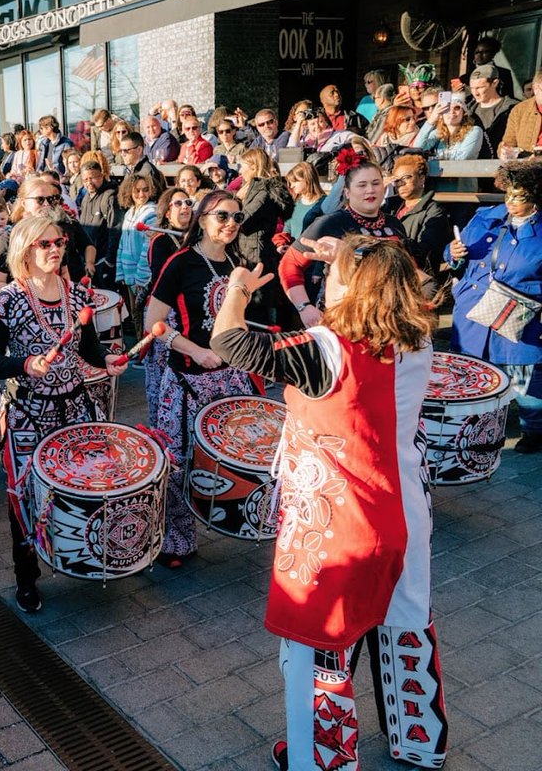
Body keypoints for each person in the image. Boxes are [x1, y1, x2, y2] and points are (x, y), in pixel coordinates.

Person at [209, 235, 448, 771]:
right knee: (407, 620)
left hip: (338, 520)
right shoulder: (416, 336)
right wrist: (363, 255)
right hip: (406, 506)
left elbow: (229, 341)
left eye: (334, 273)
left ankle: (322, 759)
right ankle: (419, 739)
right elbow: (422, 287)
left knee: (318, 648)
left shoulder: (328, 347)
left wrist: (237, 288)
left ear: (350, 285)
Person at [0, 213, 127, 612]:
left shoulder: (77, 295)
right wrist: (24, 364)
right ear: (25, 250)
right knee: (24, 499)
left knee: (85, 485)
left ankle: (81, 553)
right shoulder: (7, 300)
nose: (55, 249)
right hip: (30, 414)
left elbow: (88, 349)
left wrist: (108, 361)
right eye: (44, 244)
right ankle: (26, 578)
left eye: (59, 241)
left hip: (76, 405)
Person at [144, 190, 257, 567]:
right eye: (222, 215)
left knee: (230, 457)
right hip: (188, 379)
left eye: (237, 218)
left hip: (230, 379)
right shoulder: (180, 262)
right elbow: (152, 324)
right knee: (177, 462)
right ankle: (176, 539)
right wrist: (196, 351)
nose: (230, 224)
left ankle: (231, 514)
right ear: (204, 217)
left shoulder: (237, 264)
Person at [446, 160, 542, 454]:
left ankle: (534, 430)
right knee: (472, 372)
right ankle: (472, 428)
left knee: (524, 376)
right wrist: (454, 253)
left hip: (519, 313)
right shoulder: (485, 216)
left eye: (521, 196)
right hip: (476, 308)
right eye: (508, 193)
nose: (512, 202)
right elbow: (455, 258)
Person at [280, 157, 407, 327]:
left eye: (376, 183)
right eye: (362, 185)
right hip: (343, 321)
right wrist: (304, 307)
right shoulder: (330, 223)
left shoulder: (395, 224)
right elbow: (289, 264)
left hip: (389, 318)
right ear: (347, 192)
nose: (370, 190)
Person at [0, 176, 94, 293]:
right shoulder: (8, 239)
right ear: (24, 203)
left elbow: (63, 273)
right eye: (40, 200)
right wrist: (26, 297)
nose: (46, 204)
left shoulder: (56, 235)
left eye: (50, 199)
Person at [236, 148, 295, 326]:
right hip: (250, 250)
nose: (240, 171)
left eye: (243, 166)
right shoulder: (253, 189)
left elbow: (243, 220)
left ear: (253, 167)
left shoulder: (261, 190)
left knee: (257, 305)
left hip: (255, 253)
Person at [383, 154, 452, 282]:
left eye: (406, 177)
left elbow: (426, 253)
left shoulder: (434, 211)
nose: (401, 184)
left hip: (415, 277)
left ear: (421, 178)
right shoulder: (389, 206)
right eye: (397, 180)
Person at [116, 172, 164, 333]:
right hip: (129, 276)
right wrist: (120, 272)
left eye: (145, 190)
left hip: (141, 278)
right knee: (135, 316)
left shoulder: (151, 213)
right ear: (129, 192)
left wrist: (140, 278)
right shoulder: (130, 212)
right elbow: (122, 243)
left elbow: (147, 249)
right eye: (137, 190)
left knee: (144, 318)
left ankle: (144, 354)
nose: (141, 194)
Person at [78, 161, 122, 288]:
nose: (89, 183)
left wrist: (109, 261)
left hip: (103, 262)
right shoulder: (86, 197)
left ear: (101, 176)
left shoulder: (110, 197)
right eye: (85, 180)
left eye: (92, 178)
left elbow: (115, 230)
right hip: (89, 262)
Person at [413, 92, 485, 160]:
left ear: (464, 113)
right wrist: (431, 120)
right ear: (441, 113)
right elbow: (417, 150)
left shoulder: (474, 131)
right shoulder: (437, 133)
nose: (452, 111)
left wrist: (434, 156)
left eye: (457, 108)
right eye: (447, 108)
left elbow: (462, 158)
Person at [469, 65, 517, 152]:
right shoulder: (468, 110)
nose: (475, 93)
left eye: (480, 88)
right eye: (472, 88)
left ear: (495, 83)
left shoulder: (514, 109)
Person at [497, 69, 542, 159]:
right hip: (524, 168)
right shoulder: (519, 110)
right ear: (536, 88)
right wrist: (505, 152)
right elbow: (508, 143)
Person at [284, 162, 326, 239]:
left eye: (295, 181)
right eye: (290, 182)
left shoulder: (324, 203)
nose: (292, 186)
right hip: (293, 249)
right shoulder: (295, 203)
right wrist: (282, 244)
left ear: (307, 179)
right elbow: (287, 228)